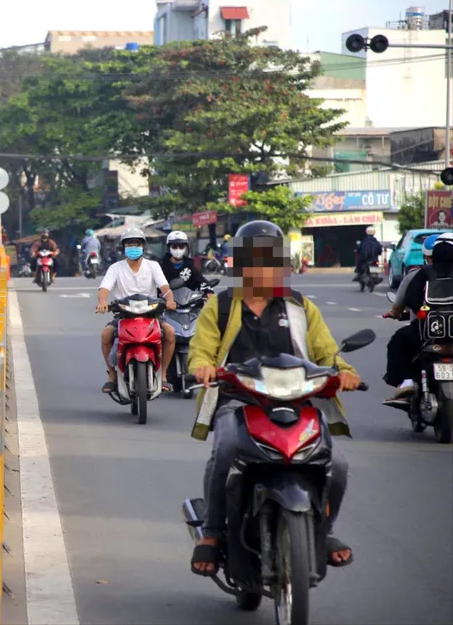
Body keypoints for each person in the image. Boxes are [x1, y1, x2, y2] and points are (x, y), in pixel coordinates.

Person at [187, 220, 361, 576]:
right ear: (240, 265)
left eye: (270, 261)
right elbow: (201, 350)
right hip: (237, 401)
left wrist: (344, 371)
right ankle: (213, 532)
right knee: (225, 452)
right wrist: (203, 368)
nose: (263, 270)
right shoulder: (219, 306)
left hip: (295, 401)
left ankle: (322, 530)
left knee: (337, 464)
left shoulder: (300, 306)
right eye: (254, 261)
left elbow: (326, 351)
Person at [96, 227, 177, 393]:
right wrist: (103, 301)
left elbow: (164, 287)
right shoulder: (115, 268)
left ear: (143, 246)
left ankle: (163, 376)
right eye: (130, 244)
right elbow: (104, 288)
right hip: (123, 316)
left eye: (137, 243)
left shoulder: (153, 266)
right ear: (124, 247)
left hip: (152, 315)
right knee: (106, 335)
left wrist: (170, 299)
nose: (134, 247)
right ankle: (111, 376)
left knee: (169, 333)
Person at [383, 233, 453, 399]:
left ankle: (407, 381)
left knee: (398, 341)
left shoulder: (423, 273)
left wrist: (422, 311)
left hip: (427, 331)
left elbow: (411, 299)